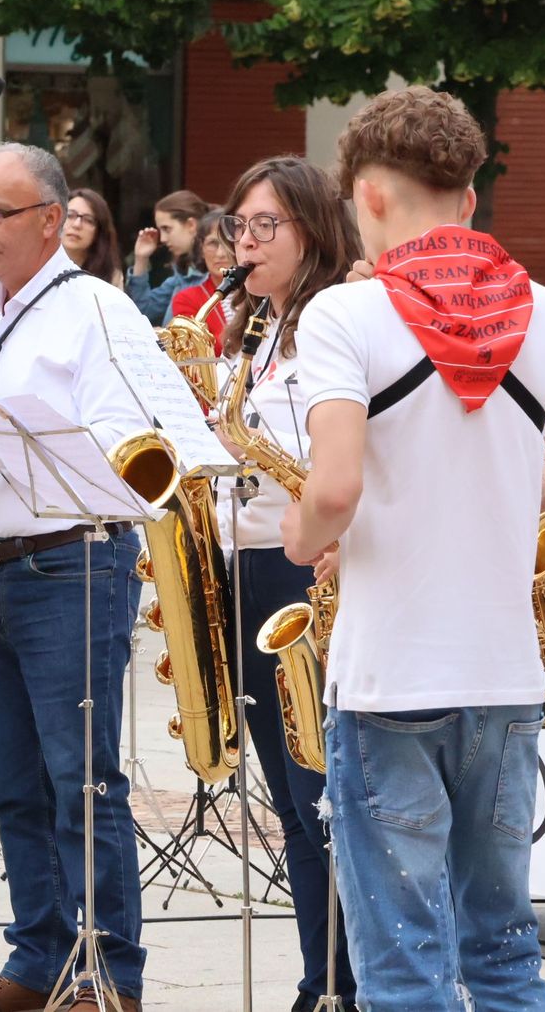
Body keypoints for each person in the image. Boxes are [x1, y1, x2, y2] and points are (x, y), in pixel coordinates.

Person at [281, 86, 545, 1011]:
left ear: (363, 197)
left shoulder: (342, 318)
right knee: (506, 950)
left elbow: (333, 488)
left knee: (404, 966)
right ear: (469, 198)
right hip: (505, 676)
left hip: (393, 673)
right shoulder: (542, 313)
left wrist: (303, 534)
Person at [0, 143, 150, 1012]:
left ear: (51, 221)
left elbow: (129, 452)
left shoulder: (94, 311)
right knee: (13, 782)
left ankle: (109, 974)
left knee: (82, 781)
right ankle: (36, 959)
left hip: (71, 562)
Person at [213, 156, 362, 1012]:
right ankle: (322, 981)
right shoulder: (257, 331)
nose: (247, 242)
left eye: (266, 225)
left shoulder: (333, 327)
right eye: (239, 225)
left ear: (314, 230)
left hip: (311, 573)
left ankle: (354, 980)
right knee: (291, 802)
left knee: (324, 797)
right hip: (252, 565)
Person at [125, 188, 209, 324]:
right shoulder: (182, 276)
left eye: (167, 229)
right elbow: (143, 311)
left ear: (191, 225)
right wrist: (141, 259)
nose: (162, 239)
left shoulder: (215, 275)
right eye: (160, 230)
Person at [169, 209, 238, 340]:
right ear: (201, 248)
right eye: (213, 243)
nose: (220, 254)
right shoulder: (186, 299)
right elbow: (197, 351)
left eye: (229, 243)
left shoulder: (262, 294)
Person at [62, 187, 124, 287]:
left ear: (99, 231)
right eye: (70, 215)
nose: (77, 224)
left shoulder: (111, 276)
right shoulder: (36, 266)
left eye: (88, 220)